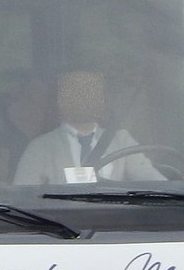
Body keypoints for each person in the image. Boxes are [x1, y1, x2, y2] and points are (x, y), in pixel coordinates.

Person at [13, 70, 162, 185]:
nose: (83, 98)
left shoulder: (122, 140)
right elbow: (21, 198)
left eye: (90, 92)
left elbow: (155, 184)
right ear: (60, 100)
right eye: (75, 92)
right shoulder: (40, 147)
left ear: (101, 100)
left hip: (117, 223)